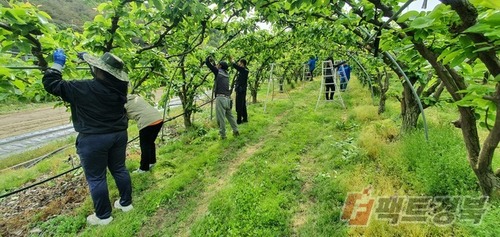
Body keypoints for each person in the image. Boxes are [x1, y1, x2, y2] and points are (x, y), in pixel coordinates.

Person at [43, 49, 133, 226]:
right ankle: (126, 204)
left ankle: (104, 216)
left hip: (94, 139)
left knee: (96, 178)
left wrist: (57, 65)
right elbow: (102, 75)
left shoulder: (82, 88)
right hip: (118, 134)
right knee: (119, 169)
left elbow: (52, 83)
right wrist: (85, 57)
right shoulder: (120, 88)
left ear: (99, 70)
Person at [125, 94, 164, 173]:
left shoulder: (121, 104)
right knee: (150, 142)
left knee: (145, 145)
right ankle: (152, 162)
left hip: (147, 122)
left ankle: (144, 168)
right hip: (158, 119)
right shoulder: (134, 97)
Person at [205, 56, 239, 139]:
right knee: (230, 116)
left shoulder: (218, 72)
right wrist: (214, 63)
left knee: (221, 118)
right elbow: (215, 67)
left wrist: (208, 58)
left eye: (218, 65)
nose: (217, 65)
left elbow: (208, 64)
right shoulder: (226, 74)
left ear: (220, 66)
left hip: (220, 98)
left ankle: (223, 135)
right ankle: (235, 130)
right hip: (227, 98)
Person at [230, 57, 249, 124]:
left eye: (240, 63)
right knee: (243, 104)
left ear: (242, 63)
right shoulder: (245, 70)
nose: (239, 64)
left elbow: (236, 66)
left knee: (239, 105)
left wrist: (232, 61)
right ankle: (245, 118)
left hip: (240, 90)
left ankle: (239, 120)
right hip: (242, 90)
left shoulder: (244, 70)